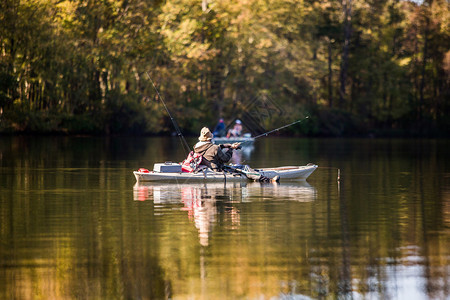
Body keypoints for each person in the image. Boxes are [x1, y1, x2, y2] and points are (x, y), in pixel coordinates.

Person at [194, 127, 279, 182]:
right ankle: (269, 180)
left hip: (206, 169)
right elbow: (226, 159)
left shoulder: (197, 147)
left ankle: (258, 174)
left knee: (238, 167)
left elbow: (211, 148)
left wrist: (228, 145)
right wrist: (231, 149)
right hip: (217, 170)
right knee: (244, 168)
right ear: (210, 138)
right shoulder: (214, 148)